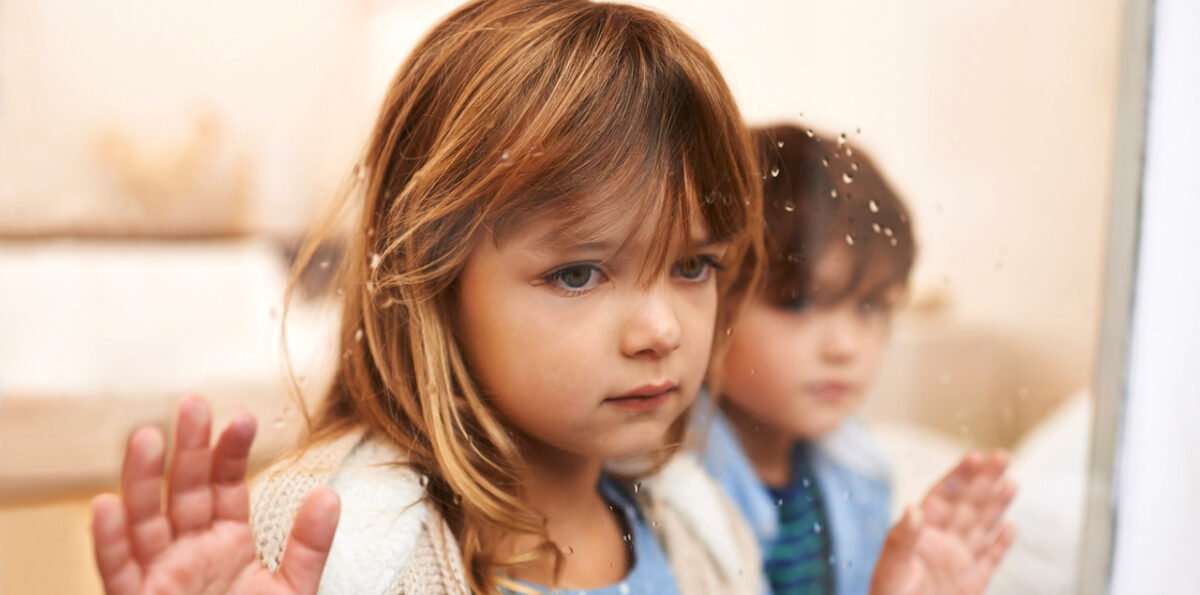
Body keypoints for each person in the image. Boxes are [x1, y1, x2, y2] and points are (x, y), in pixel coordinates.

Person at [88, 1, 769, 593]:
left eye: (692, 266)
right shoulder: (336, 544)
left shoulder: (701, 530)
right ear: (432, 277)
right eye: (578, 274)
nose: (661, 331)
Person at [701, 123, 1018, 595]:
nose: (845, 346)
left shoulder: (861, 469)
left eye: (870, 305)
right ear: (709, 296)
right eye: (800, 302)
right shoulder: (672, 493)